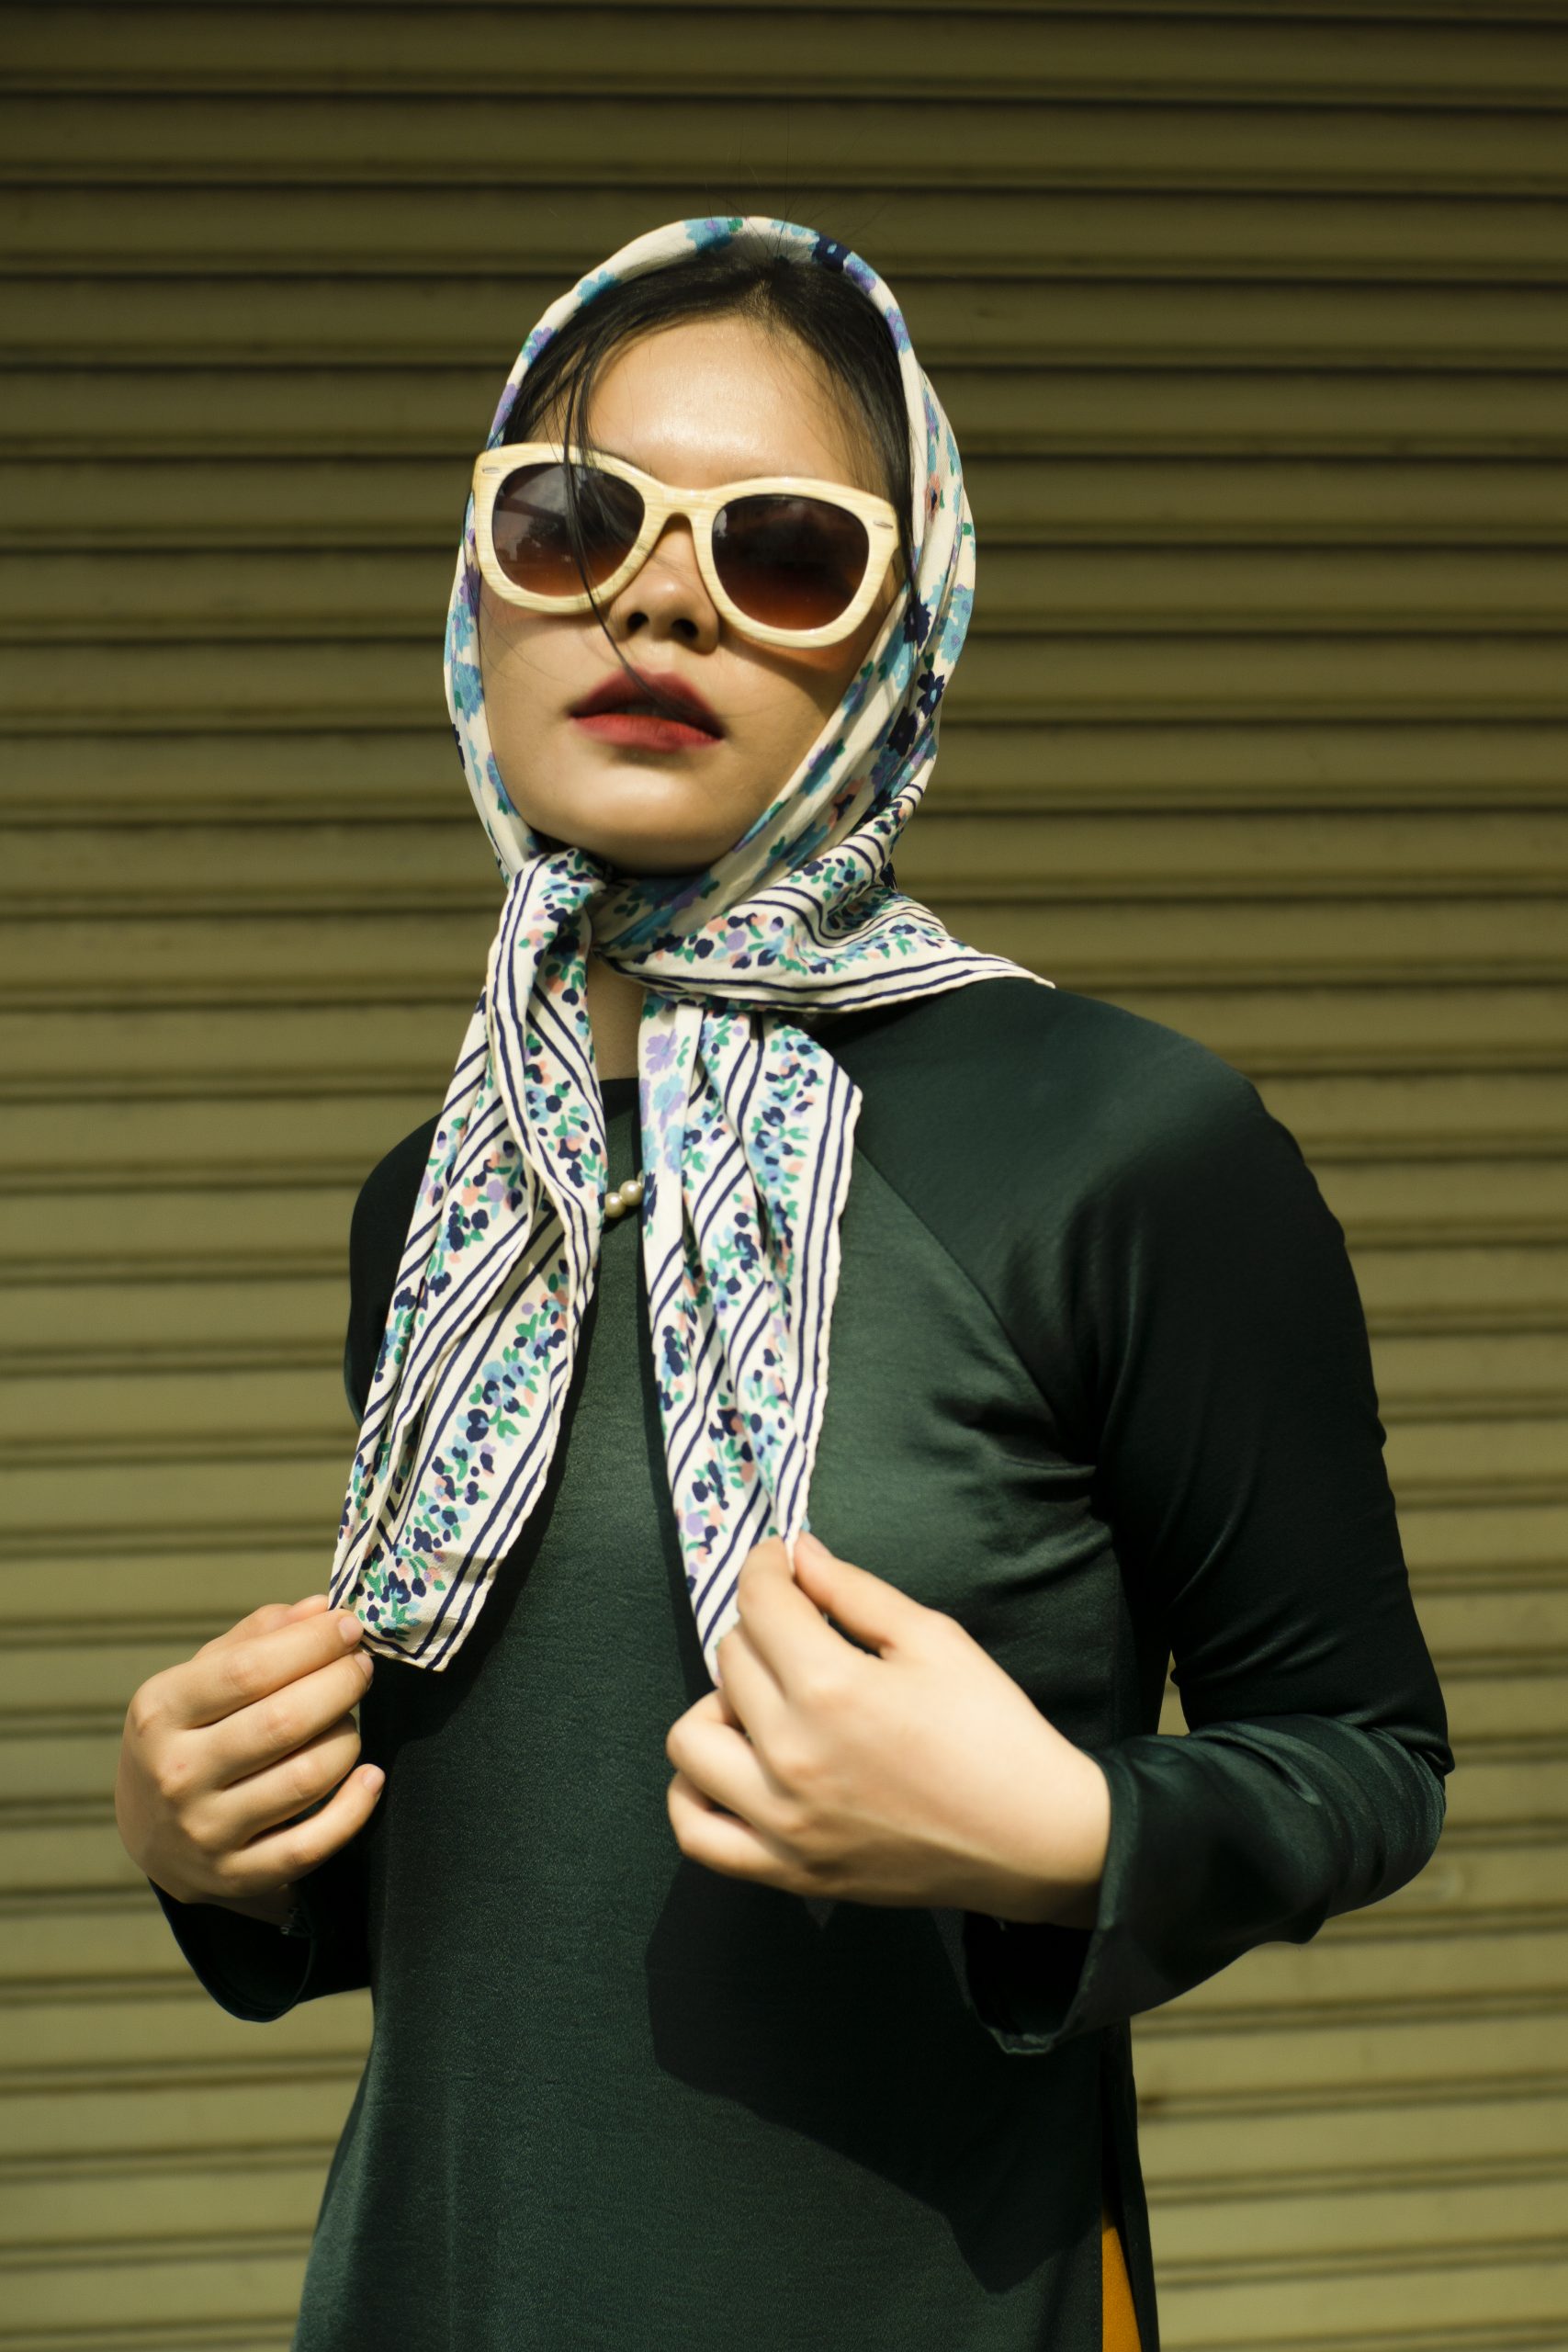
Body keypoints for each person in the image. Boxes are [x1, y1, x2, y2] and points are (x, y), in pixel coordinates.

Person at [116, 216, 1453, 2352]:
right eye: (573, 521)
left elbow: (1362, 1759)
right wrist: (222, 1847)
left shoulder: (1122, 1145)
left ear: (896, 643)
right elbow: (515, 1890)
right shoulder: (447, 1201)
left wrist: (1060, 1827)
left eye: (784, 553)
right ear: (478, 595)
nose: (658, 598)